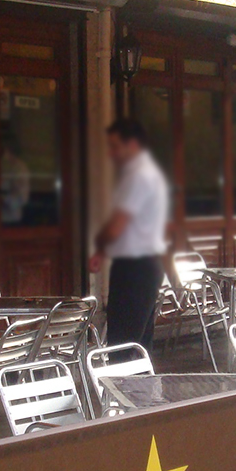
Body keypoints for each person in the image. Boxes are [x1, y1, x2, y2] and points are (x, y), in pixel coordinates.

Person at [89, 119, 169, 350]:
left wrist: (99, 247)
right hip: (146, 264)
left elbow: (118, 225)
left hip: (135, 268)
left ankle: (124, 376)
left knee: (123, 346)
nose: (111, 153)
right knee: (140, 345)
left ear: (132, 144)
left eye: (115, 146)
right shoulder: (148, 174)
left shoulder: (138, 176)